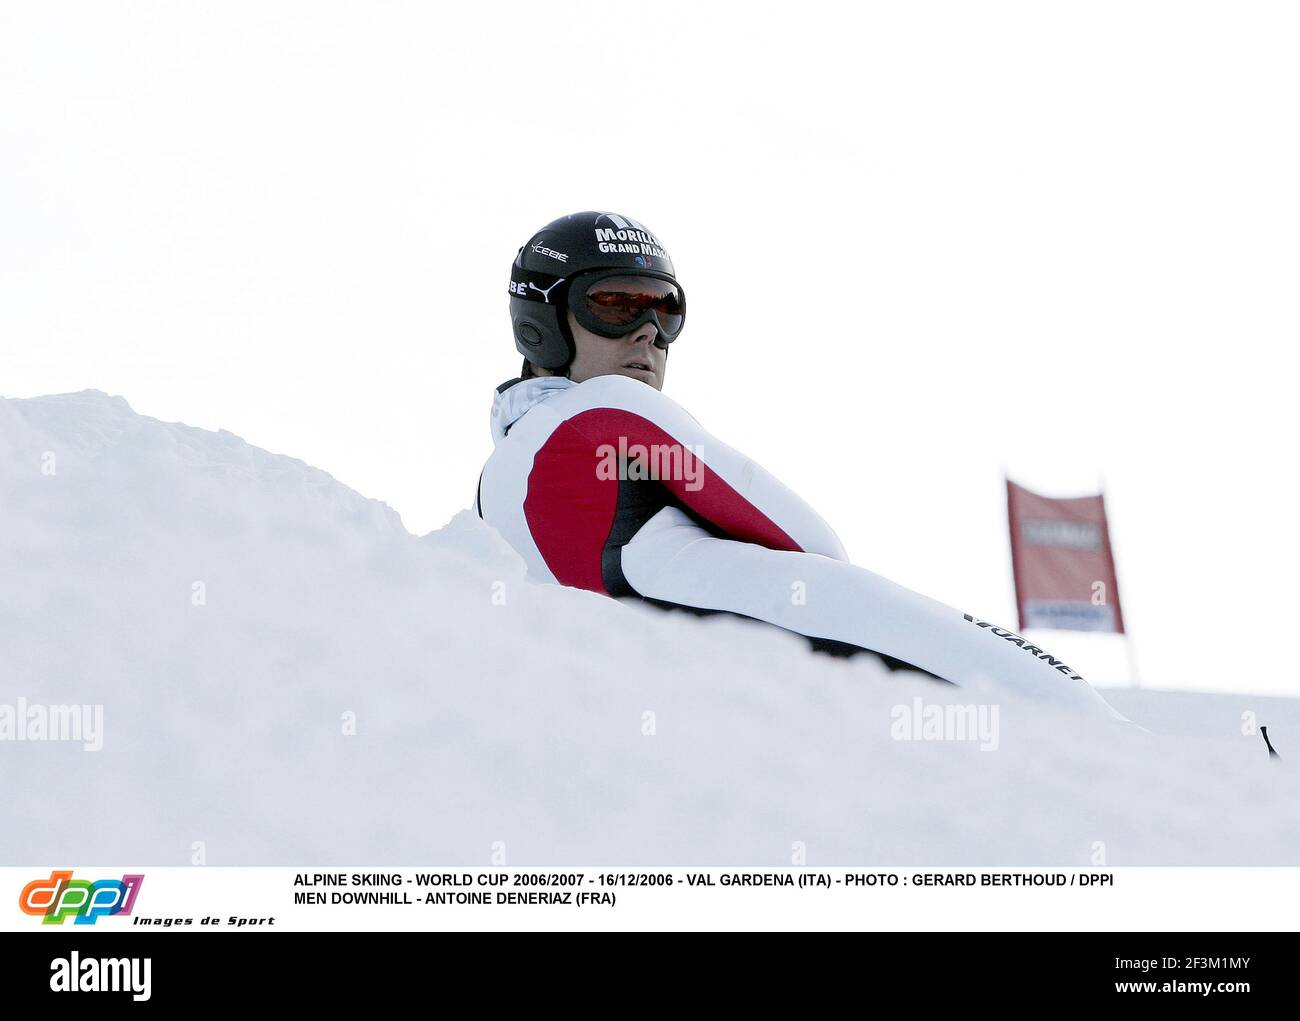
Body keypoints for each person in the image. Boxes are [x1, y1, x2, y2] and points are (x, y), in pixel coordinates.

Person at [477, 211, 1125, 720]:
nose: (648, 331)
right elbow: (812, 545)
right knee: (1087, 729)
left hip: (706, 699)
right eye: (614, 305)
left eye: (665, 309)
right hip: (871, 636)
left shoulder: (490, 491)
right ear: (542, 324)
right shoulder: (603, 412)